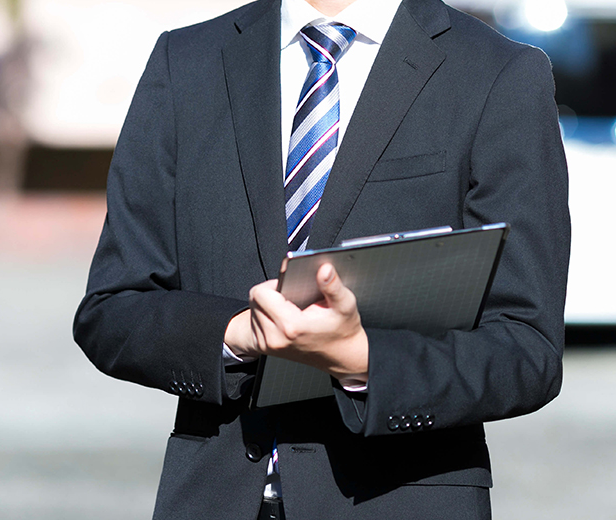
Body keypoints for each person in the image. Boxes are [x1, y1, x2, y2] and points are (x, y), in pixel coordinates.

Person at [73, 0, 571, 518]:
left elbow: (526, 346)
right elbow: (112, 308)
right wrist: (239, 333)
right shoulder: (187, 60)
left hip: (397, 499)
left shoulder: (498, 72)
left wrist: (364, 359)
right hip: (213, 497)